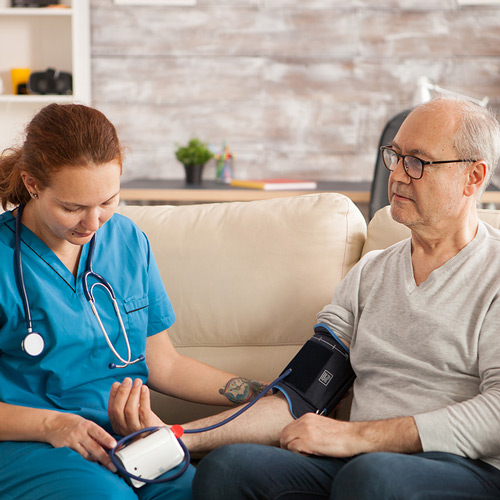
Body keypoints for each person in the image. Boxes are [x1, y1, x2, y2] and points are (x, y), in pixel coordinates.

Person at [159, 97, 500, 499]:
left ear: (473, 177)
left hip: (461, 467)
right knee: (228, 468)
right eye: (396, 155)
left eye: (418, 161)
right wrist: (179, 437)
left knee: (374, 477)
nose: (399, 175)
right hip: (357, 463)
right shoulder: (370, 274)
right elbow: (301, 395)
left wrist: (359, 438)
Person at [0, 103, 268, 500]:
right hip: (34, 442)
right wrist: (52, 425)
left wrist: (263, 393)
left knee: (208, 491)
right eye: (72, 208)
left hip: (131, 437)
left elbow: (165, 365)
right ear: (32, 183)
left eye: (108, 201)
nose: (93, 224)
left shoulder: (127, 240)